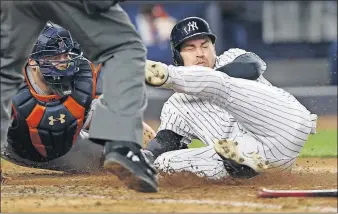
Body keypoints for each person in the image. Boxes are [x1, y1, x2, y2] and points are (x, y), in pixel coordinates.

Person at [1, 1, 157, 192]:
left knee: (139, 137)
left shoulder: (82, 74)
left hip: (65, 150)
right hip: (13, 148)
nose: (64, 62)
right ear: (33, 61)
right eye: (55, 57)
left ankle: (167, 158)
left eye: (66, 56)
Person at [143, 17, 318, 180]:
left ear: (214, 48)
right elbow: (164, 144)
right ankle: (241, 160)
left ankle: (165, 75)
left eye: (205, 46)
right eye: (190, 48)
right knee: (162, 163)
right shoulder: (175, 107)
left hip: (281, 126)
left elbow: (251, 67)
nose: (200, 53)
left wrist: (199, 80)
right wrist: (144, 157)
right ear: (177, 56)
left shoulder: (232, 58)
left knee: (220, 84)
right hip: (255, 163)